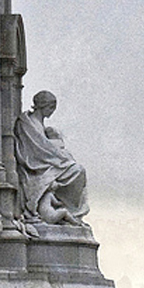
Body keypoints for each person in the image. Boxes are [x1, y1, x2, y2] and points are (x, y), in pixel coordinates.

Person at [12, 92, 89, 226]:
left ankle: (70, 211)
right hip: (36, 166)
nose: (52, 111)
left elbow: (45, 148)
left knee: (78, 170)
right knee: (78, 171)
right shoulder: (28, 123)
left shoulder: (40, 124)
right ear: (43, 105)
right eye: (51, 107)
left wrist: (59, 155)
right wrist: (61, 157)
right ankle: (70, 212)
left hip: (47, 163)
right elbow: (38, 150)